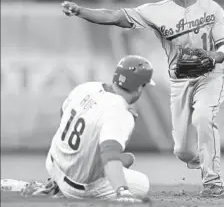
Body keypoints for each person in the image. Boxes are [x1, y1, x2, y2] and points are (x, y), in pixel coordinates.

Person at [61, 0, 224, 197]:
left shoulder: (211, 8)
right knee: (182, 150)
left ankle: (213, 181)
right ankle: (204, 159)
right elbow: (114, 17)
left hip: (210, 76)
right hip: (181, 80)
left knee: (203, 118)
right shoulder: (156, 11)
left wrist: (215, 57)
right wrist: (80, 11)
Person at [10, 55, 154, 202]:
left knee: (128, 158)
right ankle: (61, 191)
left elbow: (63, 113)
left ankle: (54, 184)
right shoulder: (120, 114)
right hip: (80, 187)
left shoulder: (87, 87)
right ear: (140, 87)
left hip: (54, 163)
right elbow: (110, 156)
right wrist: (122, 192)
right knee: (143, 184)